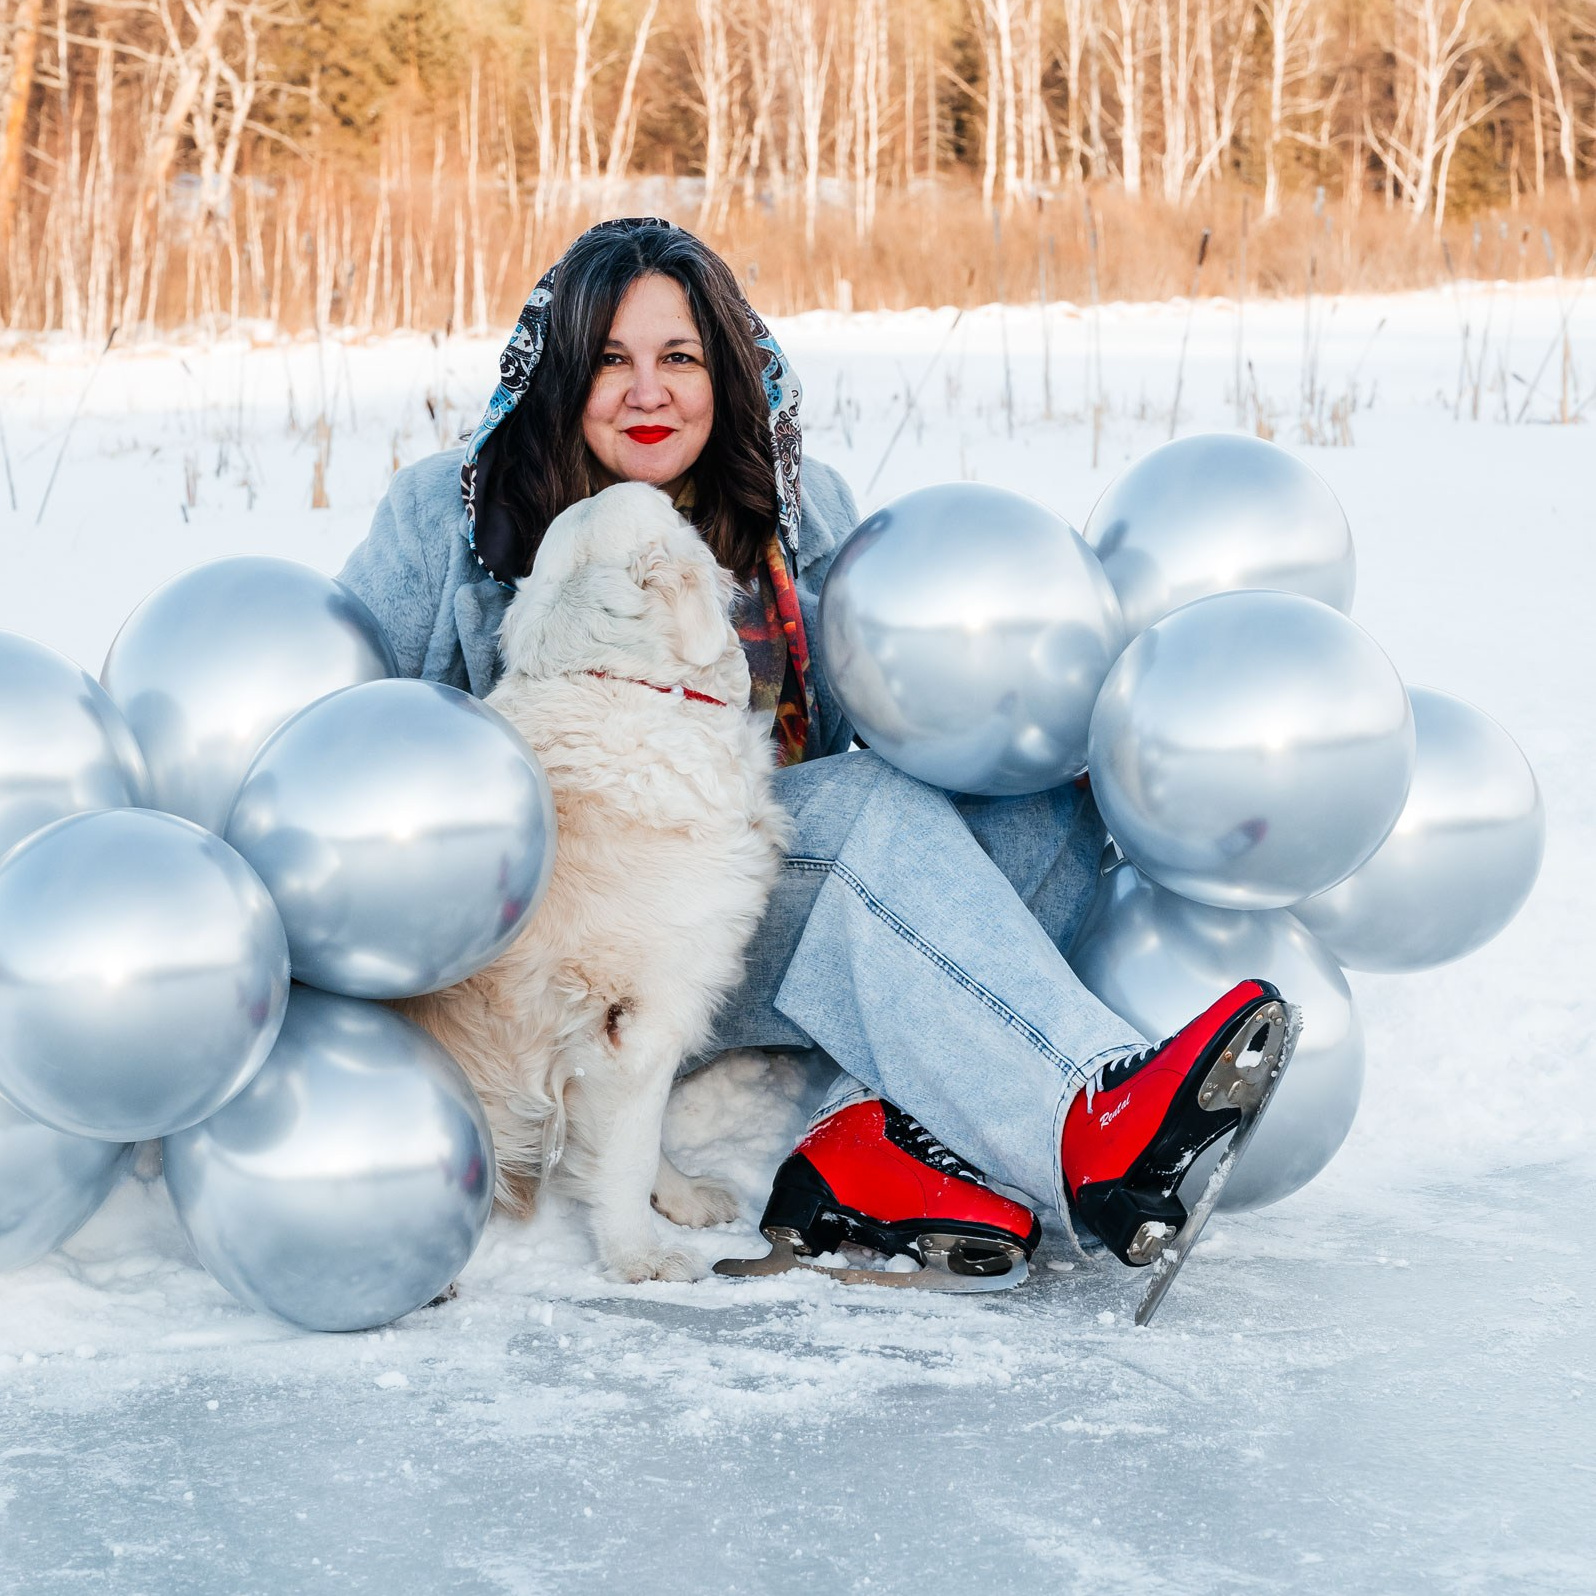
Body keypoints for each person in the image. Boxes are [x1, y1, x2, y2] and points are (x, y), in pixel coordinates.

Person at [338, 217, 1291, 1285]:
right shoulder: (453, 511)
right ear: (561, 374)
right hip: (574, 943)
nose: (647, 392)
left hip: (747, 905)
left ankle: (872, 1138)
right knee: (859, 819)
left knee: (1046, 803)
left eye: (680, 358)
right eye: (610, 360)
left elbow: (885, 714)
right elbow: (336, 738)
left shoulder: (800, 505)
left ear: (726, 373)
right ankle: (1090, 1114)